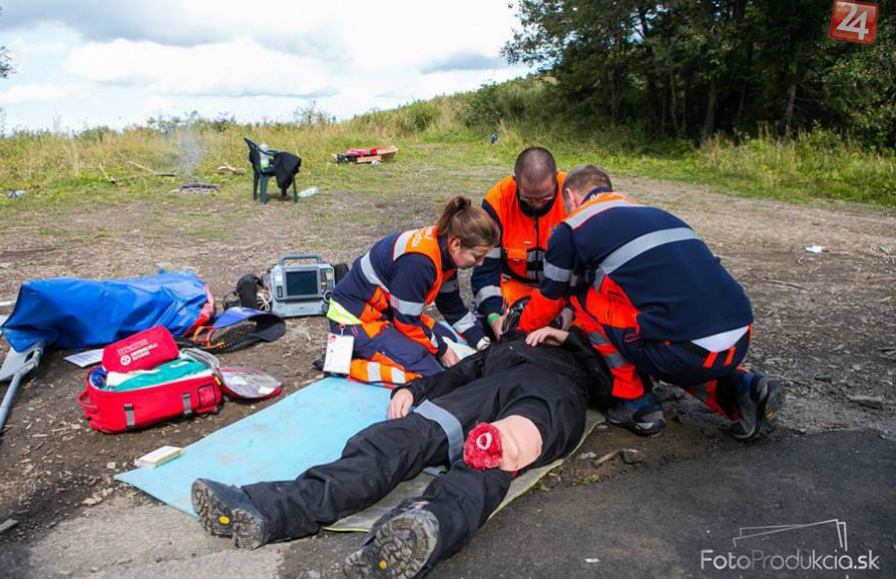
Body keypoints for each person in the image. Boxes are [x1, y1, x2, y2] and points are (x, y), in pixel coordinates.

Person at [190, 327, 609, 579]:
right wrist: (414, 389)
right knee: (393, 440)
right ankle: (266, 509)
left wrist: (569, 339)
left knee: (492, 450)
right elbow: (456, 375)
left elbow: (617, 389)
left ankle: (421, 531)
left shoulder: (583, 350)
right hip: (483, 390)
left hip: (552, 395)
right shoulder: (501, 347)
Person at [517, 164, 784, 440]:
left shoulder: (572, 227)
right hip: (738, 337)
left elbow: (551, 296)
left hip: (679, 350)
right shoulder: (656, 214)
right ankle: (746, 390)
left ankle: (635, 403)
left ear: (571, 197)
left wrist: (520, 334)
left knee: (583, 299)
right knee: (667, 332)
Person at [325, 196, 499, 385]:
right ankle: (344, 366)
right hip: (355, 320)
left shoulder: (445, 252)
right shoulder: (419, 263)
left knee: (447, 338)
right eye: (477, 256)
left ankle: (378, 351)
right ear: (456, 244)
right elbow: (407, 322)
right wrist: (442, 350)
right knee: (430, 376)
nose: (480, 263)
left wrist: (481, 342)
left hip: (387, 313)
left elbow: (452, 308)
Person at [471, 147, 569, 338]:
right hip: (512, 288)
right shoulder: (497, 202)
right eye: (529, 199)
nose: (538, 205)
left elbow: (587, 272)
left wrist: (568, 316)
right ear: (514, 180)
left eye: (545, 197)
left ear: (556, 177)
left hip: (561, 293)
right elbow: (485, 270)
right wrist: (493, 318)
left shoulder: (574, 196)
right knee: (487, 332)